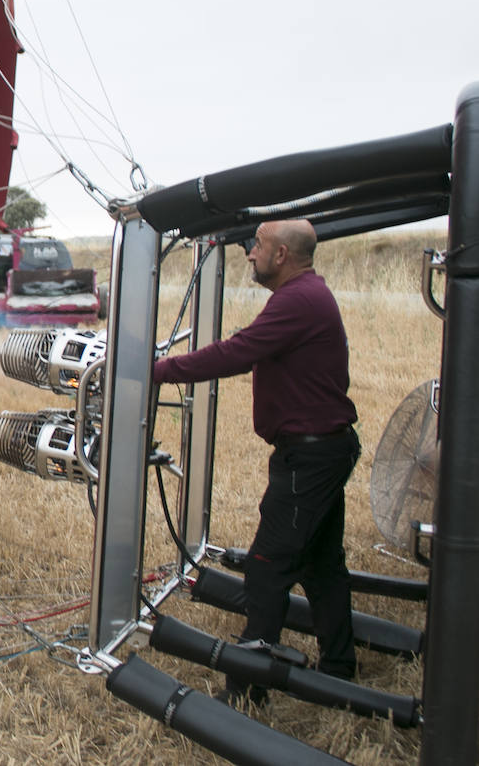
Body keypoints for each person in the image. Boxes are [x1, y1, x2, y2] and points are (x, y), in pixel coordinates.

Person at [152, 218, 359, 706]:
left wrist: (157, 370)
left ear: (282, 254)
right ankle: (338, 670)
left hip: (308, 459)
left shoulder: (297, 301)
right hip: (319, 451)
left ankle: (247, 692)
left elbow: (237, 353)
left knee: (267, 569)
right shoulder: (305, 295)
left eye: (258, 247)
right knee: (323, 566)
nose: (250, 254)